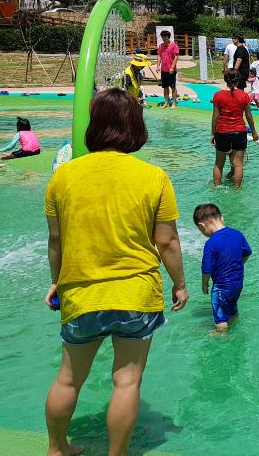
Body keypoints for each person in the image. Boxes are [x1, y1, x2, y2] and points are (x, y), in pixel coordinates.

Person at [43, 88, 188, 456]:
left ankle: (57, 448)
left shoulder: (63, 177)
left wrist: (56, 281)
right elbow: (167, 241)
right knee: (126, 382)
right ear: (135, 126)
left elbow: (56, 241)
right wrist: (180, 284)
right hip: (135, 294)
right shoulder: (153, 177)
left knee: (69, 378)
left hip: (81, 293)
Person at [194, 203, 251, 333]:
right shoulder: (237, 234)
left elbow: (206, 269)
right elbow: (247, 253)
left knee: (220, 318)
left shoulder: (211, 243)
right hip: (238, 282)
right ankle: (235, 327)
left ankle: (222, 335)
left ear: (202, 226)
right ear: (222, 218)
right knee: (232, 308)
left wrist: (204, 284)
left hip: (221, 286)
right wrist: (238, 264)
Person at [211, 69, 259, 189]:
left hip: (222, 132)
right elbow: (248, 116)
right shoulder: (244, 96)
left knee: (219, 163)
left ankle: (216, 188)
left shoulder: (218, 95)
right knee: (238, 165)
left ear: (225, 80)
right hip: (239, 132)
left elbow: (215, 116)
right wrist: (254, 132)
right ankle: (236, 189)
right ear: (238, 80)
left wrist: (212, 134)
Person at [157, 30, 179, 108]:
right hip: (164, 70)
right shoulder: (161, 46)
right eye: (162, 37)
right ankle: (166, 102)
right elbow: (159, 56)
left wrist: (172, 67)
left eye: (165, 37)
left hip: (171, 70)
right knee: (165, 87)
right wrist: (158, 66)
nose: (163, 38)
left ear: (168, 37)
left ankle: (174, 103)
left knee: (173, 87)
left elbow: (176, 57)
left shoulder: (174, 46)